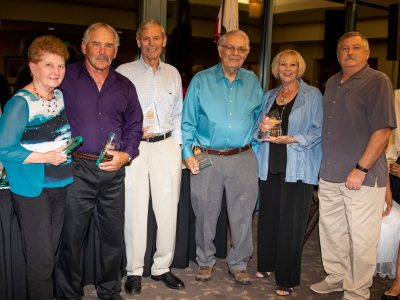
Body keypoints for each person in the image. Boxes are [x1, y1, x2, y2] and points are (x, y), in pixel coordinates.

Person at [56, 23, 143, 300]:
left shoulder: (125, 86)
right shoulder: (65, 78)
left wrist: (126, 155)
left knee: (112, 238)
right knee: (71, 238)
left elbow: (135, 124)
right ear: (84, 47)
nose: (102, 51)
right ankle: (69, 294)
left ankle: (108, 290)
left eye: (109, 46)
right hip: (76, 169)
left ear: (116, 51)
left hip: (112, 170)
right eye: (97, 44)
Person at [310, 31, 396, 300]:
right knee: (332, 233)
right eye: (344, 48)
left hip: (363, 177)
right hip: (330, 175)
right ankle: (336, 277)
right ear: (337, 55)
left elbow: (382, 131)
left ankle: (357, 291)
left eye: (356, 47)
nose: (349, 52)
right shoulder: (333, 82)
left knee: (361, 240)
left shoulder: (378, 81)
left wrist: (361, 168)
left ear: (367, 53)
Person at [182, 29, 263, 285]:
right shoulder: (201, 81)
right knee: (205, 211)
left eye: (241, 49)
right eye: (230, 47)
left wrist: (257, 149)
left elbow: (260, 120)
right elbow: (187, 124)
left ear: (247, 53)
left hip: (243, 157)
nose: (235, 53)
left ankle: (239, 263)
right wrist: (189, 154)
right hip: (207, 156)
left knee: (242, 214)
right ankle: (205, 261)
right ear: (220, 50)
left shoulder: (253, 81)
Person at [116, 19, 184, 295]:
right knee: (134, 209)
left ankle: (162, 267)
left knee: (168, 210)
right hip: (135, 149)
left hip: (166, 146)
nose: (152, 43)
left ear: (164, 40)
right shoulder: (123, 72)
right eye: (146, 38)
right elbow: (115, 113)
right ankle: (134, 270)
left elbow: (178, 114)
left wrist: (177, 149)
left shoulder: (173, 73)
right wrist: (127, 136)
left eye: (156, 38)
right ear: (138, 41)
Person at [0, 35, 71, 300]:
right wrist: (45, 157)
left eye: (60, 65)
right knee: (41, 261)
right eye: (49, 65)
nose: (56, 71)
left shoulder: (60, 96)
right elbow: (3, 148)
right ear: (33, 67)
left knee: (50, 253)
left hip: (60, 183)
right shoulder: (20, 103)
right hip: (33, 189)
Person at [255, 49, 323, 296]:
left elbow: (318, 131)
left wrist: (293, 139)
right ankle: (267, 264)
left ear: (299, 68)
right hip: (270, 165)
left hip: (298, 166)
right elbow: (258, 131)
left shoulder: (312, 95)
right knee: (269, 218)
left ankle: (287, 278)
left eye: (292, 65)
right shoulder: (269, 95)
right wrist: (262, 129)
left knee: (291, 225)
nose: (287, 69)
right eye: (283, 64)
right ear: (276, 67)